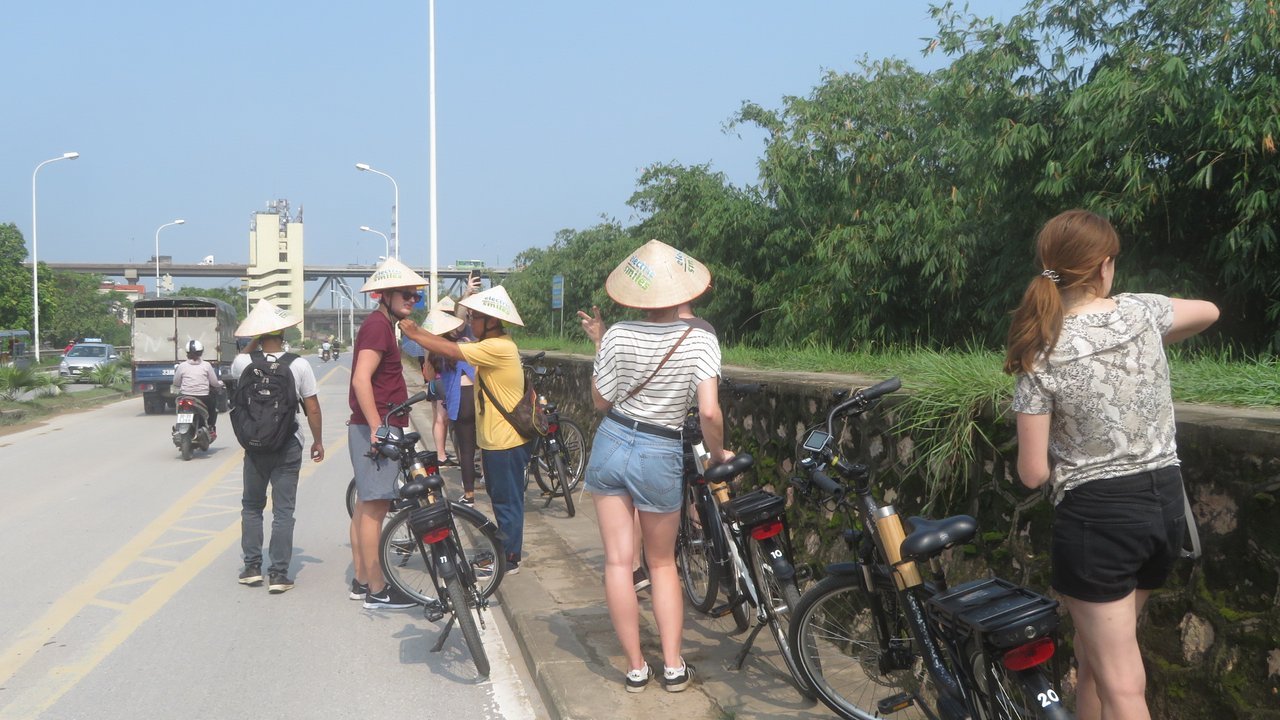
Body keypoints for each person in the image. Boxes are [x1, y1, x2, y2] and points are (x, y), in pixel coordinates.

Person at [1005, 209, 1219, 720]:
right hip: (1164, 507)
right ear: (1105, 266)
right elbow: (1209, 311)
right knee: (1094, 657)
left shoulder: (1041, 349)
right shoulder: (1142, 314)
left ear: (1049, 268)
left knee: (1123, 684)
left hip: (1099, 520)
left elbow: (1032, 473)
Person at [577, 239, 730, 693]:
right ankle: (673, 666)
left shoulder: (618, 334)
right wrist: (718, 453)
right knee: (661, 564)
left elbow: (600, 402)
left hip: (611, 442)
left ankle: (635, 668)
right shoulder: (701, 338)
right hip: (661, 449)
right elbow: (708, 413)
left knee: (618, 563)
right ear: (685, 290)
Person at [399, 285, 531, 573]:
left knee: (507, 502)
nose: (470, 322)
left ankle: (509, 558)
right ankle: (503, 550)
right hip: (497, 441)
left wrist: (416, 334)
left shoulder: (498, 347)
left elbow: (452, 349)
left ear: (491, 321)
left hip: (506, 442)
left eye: (474, 318)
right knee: (500, 500)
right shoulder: (493, 345)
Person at [348, 257, 428, 609]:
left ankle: (362, 580)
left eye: (416, 296)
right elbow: (361, 378)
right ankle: (378, 590)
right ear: (387, 295)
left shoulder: (382, 326)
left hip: (372, 425)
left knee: (366, 506)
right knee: (376, 509)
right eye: (407, 295)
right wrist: (378, 427)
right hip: (378, 427)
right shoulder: (378, 328)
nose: (412, 300)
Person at [231, 300, 325, 594]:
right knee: (283, 511)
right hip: (287, 445)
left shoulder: (244, 363)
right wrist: (319, 441)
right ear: (283, 333)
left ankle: (251, 568)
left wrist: (253, 342)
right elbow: (312, 408)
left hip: (256, 446)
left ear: (258, 334)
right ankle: (279, 574)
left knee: (251, 506)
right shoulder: (298, 364)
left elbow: (240, 363)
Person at [172, 339, 225, 439]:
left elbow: (176, 382)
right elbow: (214, 382)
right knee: (213, 408)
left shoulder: (182, 366)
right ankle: (210, 427)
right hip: (203, 397)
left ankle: (178, 428)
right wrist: (220, 384)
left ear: (187, 353)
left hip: (185, 396)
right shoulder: (206, 365)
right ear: (201, 352)